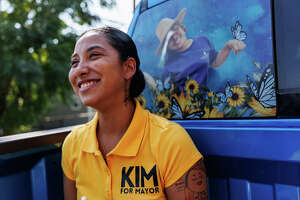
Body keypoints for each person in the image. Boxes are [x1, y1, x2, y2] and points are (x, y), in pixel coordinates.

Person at [62, 26, 208, 200]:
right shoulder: (73, 144)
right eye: (74, 62)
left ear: (128, 67)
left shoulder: (170, 141)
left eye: (94, 56)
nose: (79, 69)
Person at [156, 8, 246, 91]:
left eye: (175, 29)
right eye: (168, 38)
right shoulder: (169, 68)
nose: (174, 37)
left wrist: (228, 46)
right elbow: (168, 94)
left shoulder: (203, 41)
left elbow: (215, 62)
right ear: (166, 46)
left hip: (212, 96)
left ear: (182, 27)